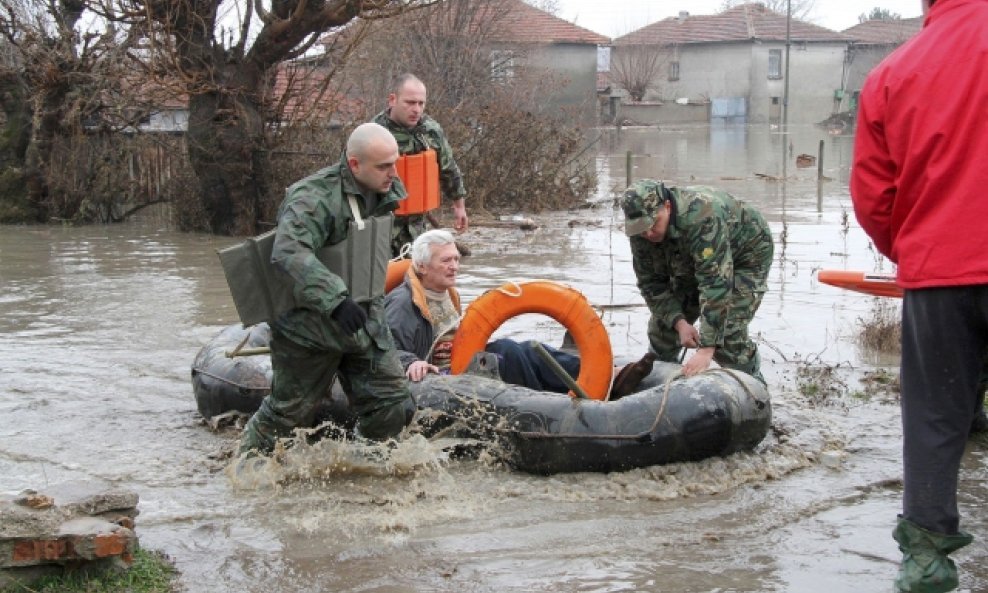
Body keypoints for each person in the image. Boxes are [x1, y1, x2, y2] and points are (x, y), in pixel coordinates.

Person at [850, 0, 988, 590]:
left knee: (933, 418)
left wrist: (916, 252)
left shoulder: (892, 73)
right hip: (944, 261)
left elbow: (873, 198)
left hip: (940, 274)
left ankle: (927, 564)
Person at [238, 123, 416, 455]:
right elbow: (289, 251)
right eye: (383, 166)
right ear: (354, 165)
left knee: (391, 402)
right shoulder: (313, 198)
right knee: (286, 413)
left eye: (395, 161)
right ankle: (246, 469)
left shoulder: (385, 188)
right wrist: (336, 300)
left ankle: (367, 464)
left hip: (365, 319)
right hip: (310, 326)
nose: (394, 172)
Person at [617, 179, 773, 393]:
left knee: (726, 336)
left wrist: (707, 348)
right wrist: (680, 323)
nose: (649, 234)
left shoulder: (703, 216)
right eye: (642, 229)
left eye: (653, 224)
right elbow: (651, 283)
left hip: (746, 256)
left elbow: (715, 284)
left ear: (667, 207)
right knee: (663, 330)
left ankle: (756, 391)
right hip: (691, 255)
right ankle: (660, 392)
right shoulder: (641, 233)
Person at [384, 229, 581, 393]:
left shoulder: (448, 294)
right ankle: (550, 402)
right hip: (439, 381)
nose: (454, 267)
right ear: (422, 266)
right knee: (508, 352)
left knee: (529, 349)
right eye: (446, 261)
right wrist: (411, 363)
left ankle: (596, 376)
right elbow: (385, 350)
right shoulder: (403, 303)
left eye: (456, 259)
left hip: (461, 362)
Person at [373, 73, 468, 256]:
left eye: (421, 103)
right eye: (409, 103)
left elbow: (448, 169)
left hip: (417, 227)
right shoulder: (374, 132)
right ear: (393, 100)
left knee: (419, 278)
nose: (416, 109)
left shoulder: (431, 130)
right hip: (383, 227)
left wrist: (459, 206)